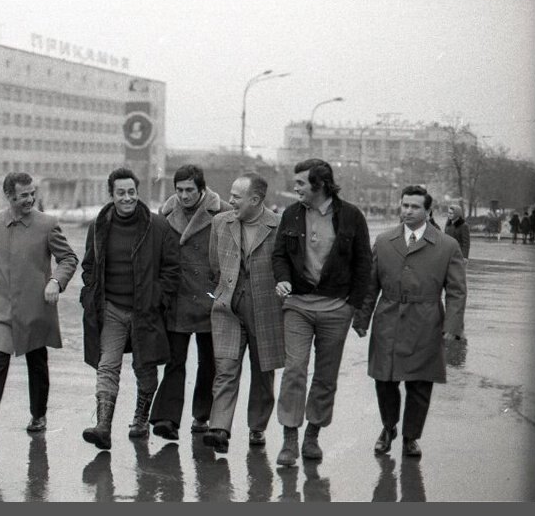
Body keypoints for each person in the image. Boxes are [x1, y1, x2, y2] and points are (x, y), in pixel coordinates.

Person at [0, 172, 78, 443]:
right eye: (24, 195)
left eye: (32, 193)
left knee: (37, 361)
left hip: (35, 305)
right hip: (1, 305)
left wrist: (56, 281)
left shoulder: (47, 224)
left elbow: (68, 258)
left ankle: (38, 415)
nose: (30, 199)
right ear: (9, 196)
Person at [353, 185, 466, 458]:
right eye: (405, 205)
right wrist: (362, 318)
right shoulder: (384, 241)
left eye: (415, 207)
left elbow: (456, 291)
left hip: (426, 320)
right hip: (388, 318)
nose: (408, 211)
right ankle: (388, 427)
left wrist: (452, 326)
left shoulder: (447, 245)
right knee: (384, 379)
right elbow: (370, 285)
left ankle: (411, 437)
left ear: (428, 211)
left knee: (420, 383)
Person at [272, 158, 372, 466]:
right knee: (294, 369)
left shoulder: (352, 216)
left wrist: (353, 306)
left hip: (336, 308)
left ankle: (312, 435)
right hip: (298, 306)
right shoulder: (291, 214)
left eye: (301, 183)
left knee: (326, 376)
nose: (296, 188)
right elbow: (279, 255)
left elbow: (364, 264)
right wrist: (283, 278)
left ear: (320, 185)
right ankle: (289, 439)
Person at [81, 168, 180, 450]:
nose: (127, 198)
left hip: (145, 311)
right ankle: (103, 427)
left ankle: (140, 419)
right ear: (111, 195)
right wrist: (90, 294)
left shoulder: (158, 227)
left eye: (131, 192)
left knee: (145, 366)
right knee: (107, 365)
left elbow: (172, 269)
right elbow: (89, 265)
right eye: (121, 193)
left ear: (138, 192)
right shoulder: (98, 227)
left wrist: (157, 298)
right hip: (111, 308)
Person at [202, 172, 285, 454]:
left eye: (237, 197)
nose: (231, 200)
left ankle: (257, 426)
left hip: (266, 309)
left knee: (263, 371)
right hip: (229, 307)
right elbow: (215, 263)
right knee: (225, 368)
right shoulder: (220, 223)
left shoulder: (278, 226)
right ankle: (219, 428)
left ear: (256, 200)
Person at [149, 164, 231, 441]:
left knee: (209, 363)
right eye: (179, 190)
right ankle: (167, 419)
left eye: (189, 190)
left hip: (211, 297)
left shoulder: (223, 212)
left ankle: (201, 416)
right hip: (178, 297)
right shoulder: (165, 213)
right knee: (174, 360)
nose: (183, 196)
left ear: (202, 189)